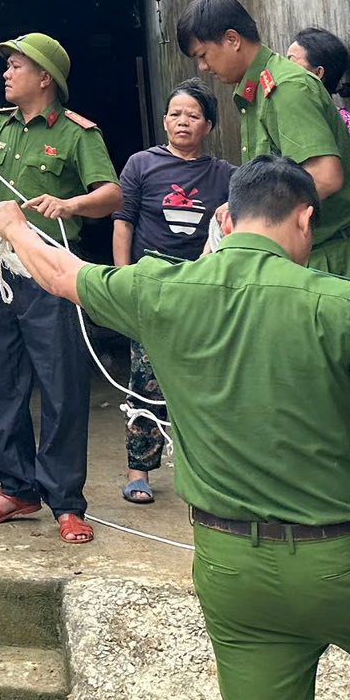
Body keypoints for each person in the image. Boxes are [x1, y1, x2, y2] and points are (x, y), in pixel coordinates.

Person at [0, 156, 350, 700]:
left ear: (224, 219)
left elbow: (60, 273)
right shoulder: (340, 302)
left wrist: (11, 225)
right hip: (341, 565)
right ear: (304, 221)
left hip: (230, 570)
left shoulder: (160, 289)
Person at [175, 0, 350, 539]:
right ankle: (327, 519)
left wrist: (255, 220)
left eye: (205, 55)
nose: (203, 68)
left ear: (233, 40)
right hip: (305, 256)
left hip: (339, 252)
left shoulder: (288, 88)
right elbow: (276, 185)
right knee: (309, 389)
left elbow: (324, 175)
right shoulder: (254, 96)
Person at [0, 33, 119, 544]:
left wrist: (72, 206)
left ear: (45, 78)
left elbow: (112, 194)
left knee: (61, 384)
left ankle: (66, 502)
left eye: (16, 66)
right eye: (8, 65)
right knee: (0, 379)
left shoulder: (79, 134)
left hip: (53, 271)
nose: (7, 73)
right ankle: (15, 489)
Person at [111, 80, 233, 504]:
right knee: (146, 381)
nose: (183, 122)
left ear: (209, 126)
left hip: (202, 290)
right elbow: (123, 221)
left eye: (194, 116)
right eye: (176, 114)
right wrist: (123, 280)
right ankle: (138, 471)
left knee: (207, 382)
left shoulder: (226, 175)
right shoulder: (142, 165)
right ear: (164, 120)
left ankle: (208, 471)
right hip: (151, 287)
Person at [288, 26, 350, 183]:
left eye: (291, 64)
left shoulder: (346, 123)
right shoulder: (287, 115)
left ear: (318, 73)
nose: (284, 73)